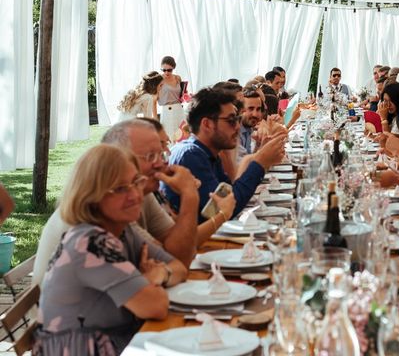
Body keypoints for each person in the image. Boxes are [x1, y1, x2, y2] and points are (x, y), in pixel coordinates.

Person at [33, 145, 187, 355]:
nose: (135, 194)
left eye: (135, 182)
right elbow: (155, 306)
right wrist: (150, 280)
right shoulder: (90, 243)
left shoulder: (123, 229)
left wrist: (161, 273)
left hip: (118, 340)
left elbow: (179, 267)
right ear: (93, 197)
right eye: (120, 189)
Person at [32, 119, 204, 284]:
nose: (161, 164)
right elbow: (171, 267)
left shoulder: (138, 194)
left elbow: (177, 259)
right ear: (118, 157)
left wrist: (162, 271)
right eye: (151, 156)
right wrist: (190, 196)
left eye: (161, 154)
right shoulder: (98, 212)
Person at [163, 87, 285, 221]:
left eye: (238, 119)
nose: (238, 127)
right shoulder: (191, 155)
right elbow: (220, 210)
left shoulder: (208, 152)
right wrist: (260, 162)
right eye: (231, 121)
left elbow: (230, 197)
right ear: (207, 124)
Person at [158, 56, 185, 143]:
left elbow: (181, 94)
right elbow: (154, 99)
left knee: (182, 135)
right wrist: (155, 119)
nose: (166, 72)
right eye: (164, 70)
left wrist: (185, 94)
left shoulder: (177, 78)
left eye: (169, 70)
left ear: (173, 67)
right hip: (167, 110)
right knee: (169, 138)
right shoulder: (159, 80)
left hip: (179, 109)